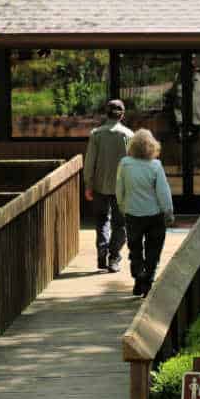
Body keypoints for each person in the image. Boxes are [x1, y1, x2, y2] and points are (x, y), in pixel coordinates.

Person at [115, 128, 175, 297]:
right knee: (153, 249)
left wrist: (121, 205)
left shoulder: (124, 164)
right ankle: (147, 281)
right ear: (152, 146)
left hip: (133, 213)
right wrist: (168, 211)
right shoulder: (156, 166)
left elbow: (119, 188)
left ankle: (138, 277)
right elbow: (163, 191)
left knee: (135, 248)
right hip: (154, 214)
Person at [83, 99, 133, 273]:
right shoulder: (128, 135)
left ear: (106, 113)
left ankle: (101, 254)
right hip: (122, 187)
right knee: (121, 224)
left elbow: (89, 162)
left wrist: (88, 184)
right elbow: (132, 164)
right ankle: (113, 258)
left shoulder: (96, 134)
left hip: (99, 185)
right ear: (122, 114)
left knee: (102, 220)